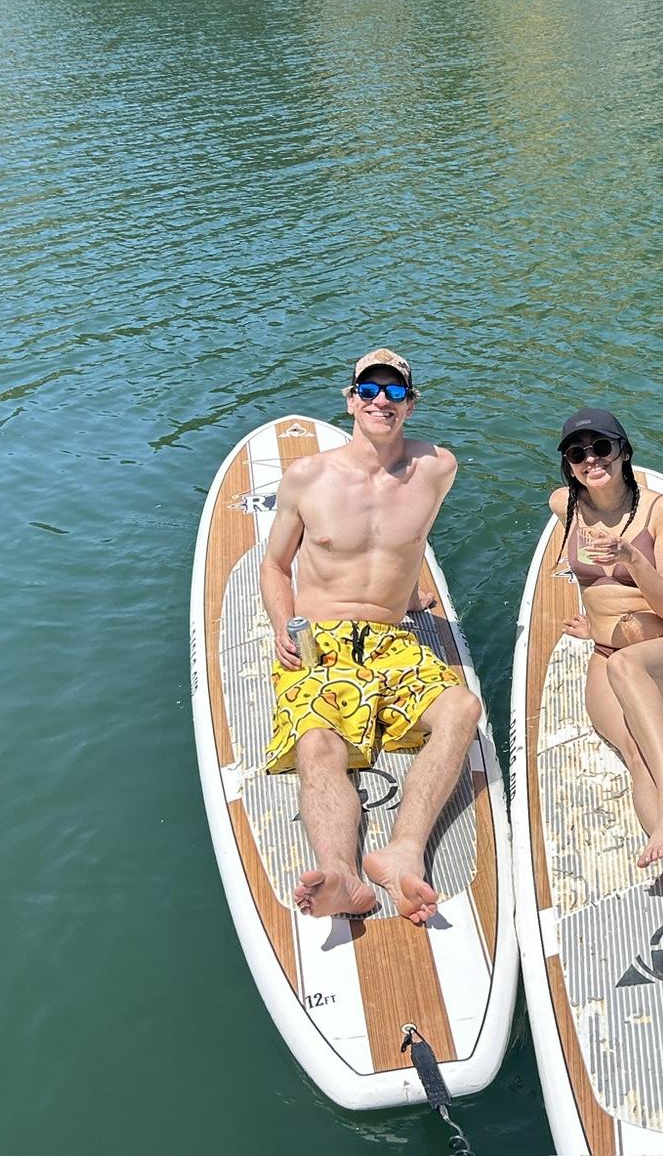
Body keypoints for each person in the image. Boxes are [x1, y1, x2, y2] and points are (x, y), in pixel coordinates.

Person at [258, 349, 481, 925]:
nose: (382, 400)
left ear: (411, 404)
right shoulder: (309, 477)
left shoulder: (437, 469)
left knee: (461, 707)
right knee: (318, 744)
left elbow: (402, 547)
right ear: (350, 399)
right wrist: (284, 625)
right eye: (369, 389)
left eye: (396, 392)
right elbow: (275, 566)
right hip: (324, 637)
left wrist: (409, 598)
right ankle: (341, 875)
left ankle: (403, 850)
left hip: (391, 638)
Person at [549, 408, 663, 889]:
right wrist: (599, 623)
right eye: (578, 453)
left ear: (623, 451)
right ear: (569, 464)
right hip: (607, 654)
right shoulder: (565, 505)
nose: (591, 460)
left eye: (601, 447)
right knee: (636, 755)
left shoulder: (660, 510)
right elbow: (596, 589)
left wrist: (632, 558)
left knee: (625, 663)